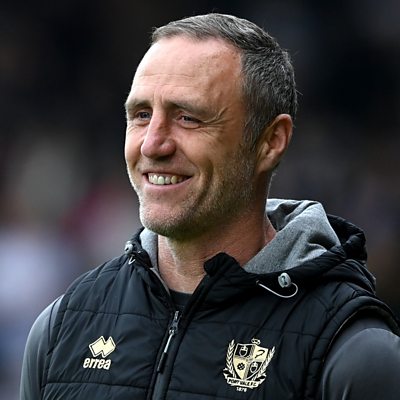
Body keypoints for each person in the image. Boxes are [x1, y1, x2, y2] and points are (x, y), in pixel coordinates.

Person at [20, 13, 400, 400]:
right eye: (142, 115)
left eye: (188, 117)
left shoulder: (354, 353)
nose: (152, 144)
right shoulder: (61, 328)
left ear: (270, 142)